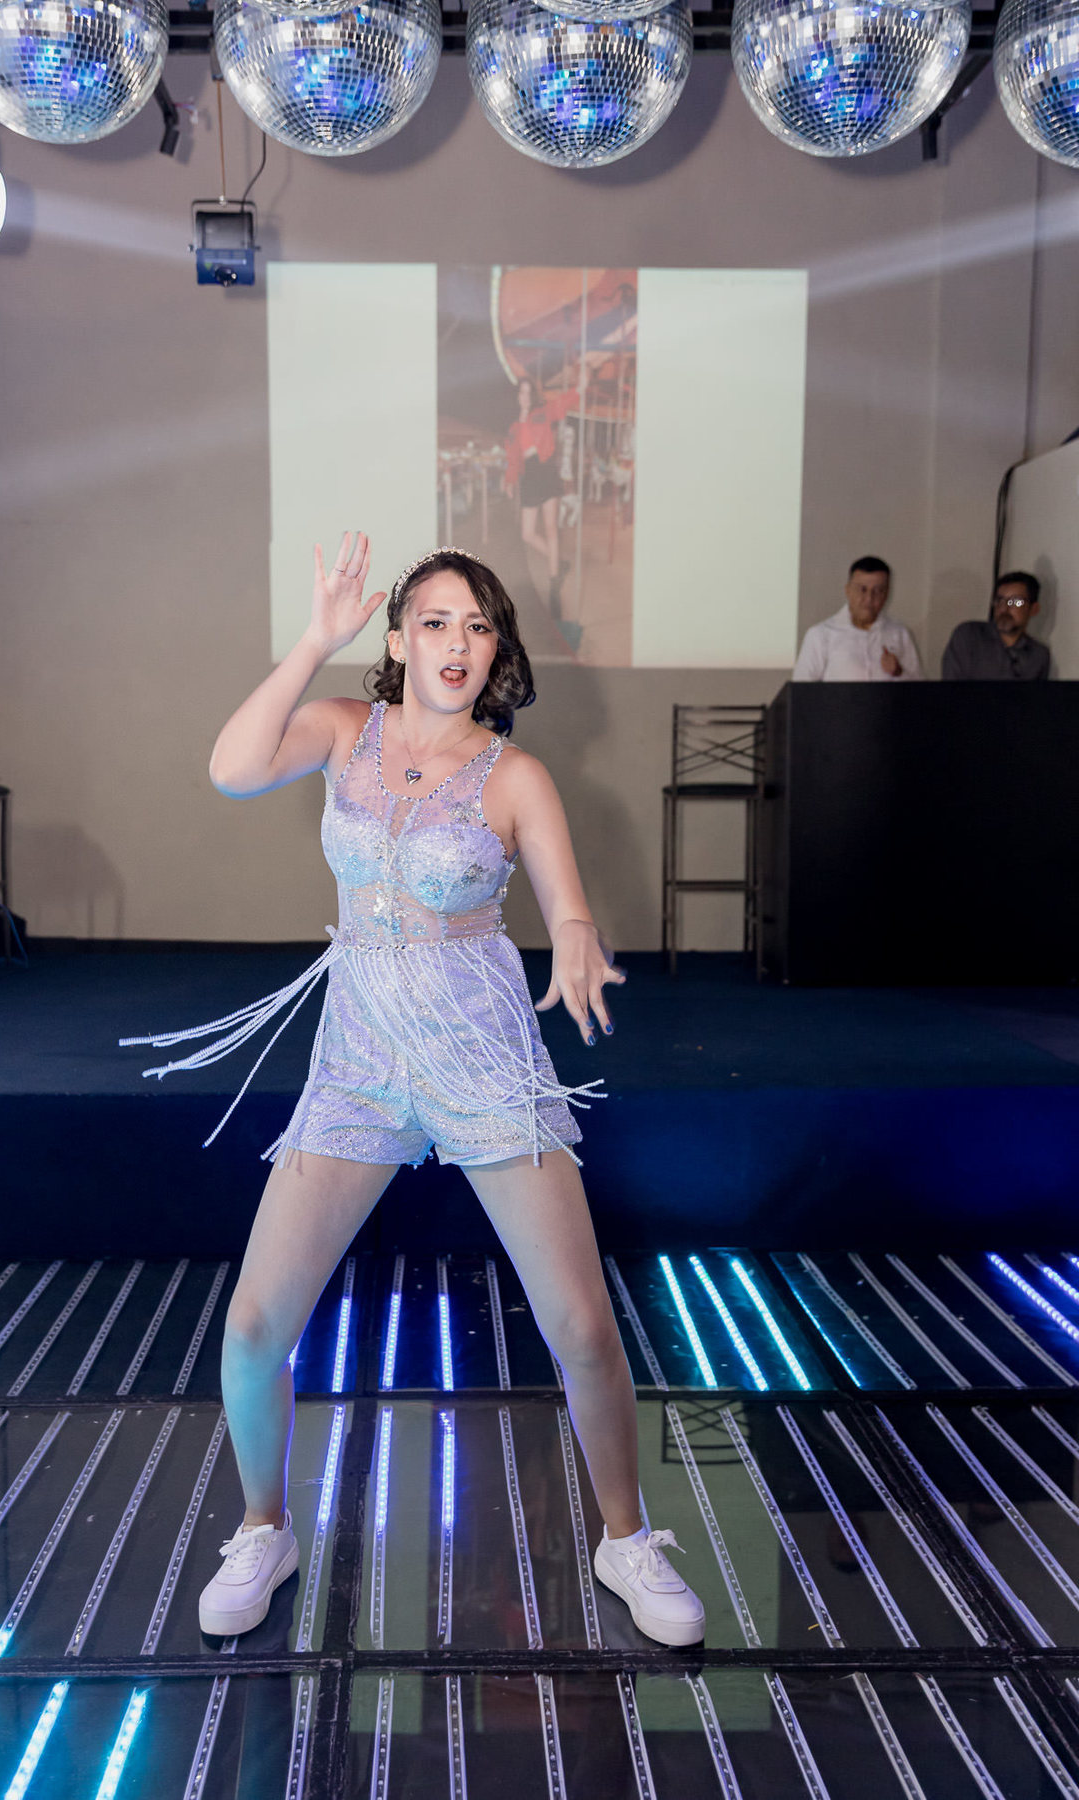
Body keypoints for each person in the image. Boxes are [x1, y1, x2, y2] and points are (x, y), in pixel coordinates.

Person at [123, 533, 705, 1650]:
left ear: (497, 652)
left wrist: (576, 937)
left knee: (582, 1325)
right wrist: (311, 640)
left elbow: (566, 901)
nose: (457, 642)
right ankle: (264, 1528)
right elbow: (233, 767)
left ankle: (626, 1537)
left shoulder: (515, 776)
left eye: (478, 626)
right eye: (435, 621)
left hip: (479, 1054)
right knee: (254, 1324)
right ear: (398, 641)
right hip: (358, 1058)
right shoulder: (345, 729)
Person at [504, 374, 578, 619]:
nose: (524, 397)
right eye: (521, 392)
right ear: (517, 396)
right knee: (527, 533)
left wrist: (580, 387)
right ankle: (558, 561)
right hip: (529, 476)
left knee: (550, 528)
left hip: (545, 470)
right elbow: (512, 458)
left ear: (532, 396)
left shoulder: (541, 413)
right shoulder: (514, 428)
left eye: (528, 393)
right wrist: (510, 481)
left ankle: (554, 583)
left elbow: (561, 404)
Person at [792, 556, 923, 682]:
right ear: (848, 590)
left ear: (887, 594)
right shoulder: (821, 635)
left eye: (878, 591)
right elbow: (801, 689)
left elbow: (921, 690)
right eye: (862, 589)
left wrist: (899, 672)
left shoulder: (899, 633)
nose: (869, 598)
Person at [941, 572, 1050, 681]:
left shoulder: (1038, 654)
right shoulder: (969, 636)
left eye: (1016, 602)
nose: (1004, 608)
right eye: (999, 600)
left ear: (1033, 609)